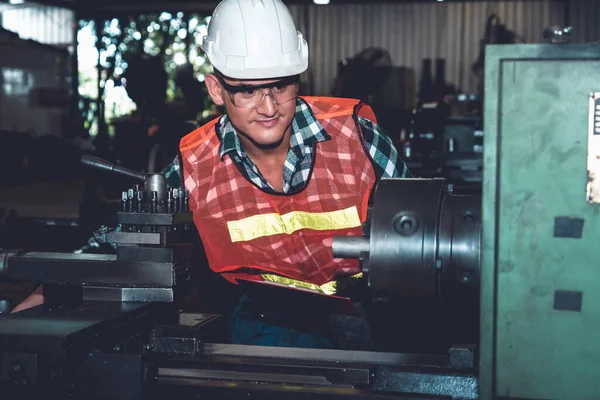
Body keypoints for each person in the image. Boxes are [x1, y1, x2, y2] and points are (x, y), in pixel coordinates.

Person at [13, 0, 411, 349]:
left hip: (369, 315)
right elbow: (127, 237)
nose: (268, 107)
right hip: (266, 322)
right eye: (247, 91)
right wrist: (53, 287)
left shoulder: (356, 136)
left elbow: (419, 229)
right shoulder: (197, 165)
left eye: (280, 86)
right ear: (216, 90)